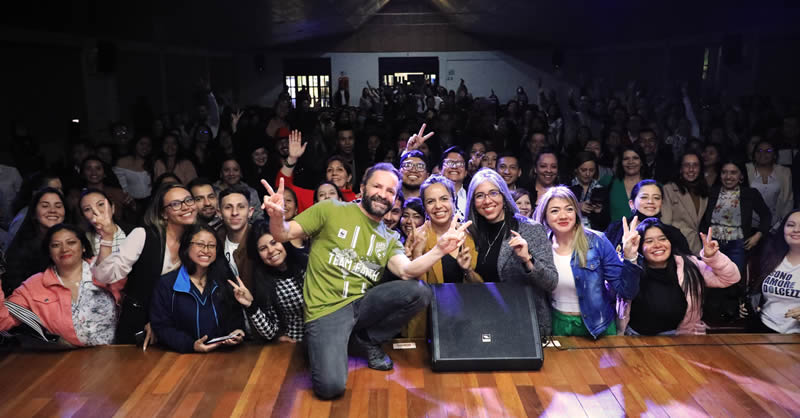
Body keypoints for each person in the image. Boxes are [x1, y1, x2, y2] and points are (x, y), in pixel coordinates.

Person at [262, 153, 469, 399]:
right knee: (330, 388)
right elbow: (284, 233)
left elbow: (406, 270)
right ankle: (325, 343)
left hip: (360, 305)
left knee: (419, 291)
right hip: (326, 310)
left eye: (390, 191)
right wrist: (276, 218)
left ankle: (365, 339)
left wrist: (439, 250)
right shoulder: (331, 209)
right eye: (377, 186)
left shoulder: (389, 237)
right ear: (362, 188)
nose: (383, 194)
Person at [92, 183, 197, 346]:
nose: (185, 207)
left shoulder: (197, 239)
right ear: (163, 213)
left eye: (188, 200)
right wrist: (106, 236)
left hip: (176, 323)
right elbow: (107, 275)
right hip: (138, 323)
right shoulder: (143, 235)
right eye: (175, 204)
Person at [533, 186, 640, 338]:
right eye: (555, 211)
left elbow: (626, 290)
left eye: (569, 209)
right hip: (557, 326)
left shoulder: (597, 241)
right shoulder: (540, 246)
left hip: (598, 327)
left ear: (576, 213)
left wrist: (630, 257)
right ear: (545, 216)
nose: (563, 215)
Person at [465, 168, 559, 336]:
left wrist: (528, 260)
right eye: (479, 196)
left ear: (503, 196)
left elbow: (551, 282)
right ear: (472, 202)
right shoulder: (470, 233)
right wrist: (466, 270)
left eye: (493, 193)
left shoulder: (530, 229)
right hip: (484, 322)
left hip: (525, 325)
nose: (487, 201)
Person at [0, 224, 125, 346]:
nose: (64, 249)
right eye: (55, 245)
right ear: (49, 252)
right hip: (65, 360)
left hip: (118, 353)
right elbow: (2, 321)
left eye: (71, 242)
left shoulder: (104, 268)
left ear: (83, 247)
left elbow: (138, 294)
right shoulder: (34, 285)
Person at [621, 218, 740, 335]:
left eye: (663, 239)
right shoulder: (632, 268)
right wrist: (629, 260)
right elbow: (615, 293)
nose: (657, 245)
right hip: (637, 337)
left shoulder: (688, 265)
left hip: (682, 337)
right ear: (640, 246)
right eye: (649, 241)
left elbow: (731, 278)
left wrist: (713, 257)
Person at [404, 175, 482, 338]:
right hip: (426, 325)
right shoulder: (416, 237)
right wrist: (418, 253)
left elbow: (480, 289)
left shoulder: (468, 235)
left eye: (444, 199)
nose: (438, 206)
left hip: (464, 323)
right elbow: (413, 294)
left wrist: (467, 271)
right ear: (425, 207)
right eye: (431, 201)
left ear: (454, 201)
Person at [150, 224, 245, 353]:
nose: (206, 250)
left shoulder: (224, 280)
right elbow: (161, 326)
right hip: (181, 358)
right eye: (200, 244)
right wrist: (191, 345)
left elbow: (235, 317)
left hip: (223, 356)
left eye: (211, 245)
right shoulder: (166, 284)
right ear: (186, 246)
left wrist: (237, 332)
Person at [229, 219, 307, 342]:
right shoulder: (264, 281)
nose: (271, 250)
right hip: (294, 344)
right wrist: (251, 305)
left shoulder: (306, 263)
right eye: (263, 248)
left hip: (325, 334)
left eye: (274, 243)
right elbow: (270, 332)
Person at [745, 210, 800, 333]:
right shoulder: (771, 257)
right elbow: (756, 295)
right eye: (790, 225)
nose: (796, 230)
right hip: (764, 329)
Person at [4, 188, 66, 296]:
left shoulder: (75, 243)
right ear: (34, 213)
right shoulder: (20, 251)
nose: (52, 210)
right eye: (45, 206)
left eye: (58, 206)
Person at [277, 130, 358, 212]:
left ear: (349, 177)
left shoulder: (360, 201)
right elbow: (282, 188)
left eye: (340, 169)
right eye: (330, 170)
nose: (334, 173)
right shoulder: (316, 198)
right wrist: (292, 158)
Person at [604, 179, 691, 254]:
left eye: (656, 198)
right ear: (632, 204)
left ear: (662, 203)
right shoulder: (615, 229)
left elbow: (688, 263)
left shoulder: (673, 234)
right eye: (644, 197)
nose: (650, 201)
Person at [662, 152, 709, 254]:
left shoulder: (703, 191)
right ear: (680, 168)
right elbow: (666, 224)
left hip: (697, 247)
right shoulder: (669, 189)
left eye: (695, 165)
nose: (691, 169)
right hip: (677, 247)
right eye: (687, 165)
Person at [747, 139, 793, 232]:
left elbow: (788, 202)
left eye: (768, 151)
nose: (763, 154)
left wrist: (778, 227)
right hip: (748, 225)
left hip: (775, 225)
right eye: (759, 151)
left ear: (775, 155)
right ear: (754, 154)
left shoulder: (784, 172)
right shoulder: (746, 169)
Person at [217, 187, 256, 289]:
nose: (234, 212)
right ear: (219, 213)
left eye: (241, 207)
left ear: (250, 212)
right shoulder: (214, 240)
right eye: (228, 207)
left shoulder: (260, 239)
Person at [79, 188, 130, 255]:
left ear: (112, 208)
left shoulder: (134, 233)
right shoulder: (83, 242)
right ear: (84, 217)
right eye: (87, 209)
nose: (96, 211)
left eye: (100, 204)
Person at [568, 151, 609, 231]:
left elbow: (606, 222)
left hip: (593, 235)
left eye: (591, 170)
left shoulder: (601, 190)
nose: (587, 174)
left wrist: (599, 212)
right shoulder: (567, 188)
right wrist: (577, 207)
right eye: (583, 170)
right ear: (576, 169)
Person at [608, 145, 646, 222]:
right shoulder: (609, 182)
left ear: (642, 162)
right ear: (621, 163)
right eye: (626, 159)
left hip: (644, 232)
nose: (630, 162)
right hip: (615, 232)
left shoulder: (651, 186)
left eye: (635, 158)